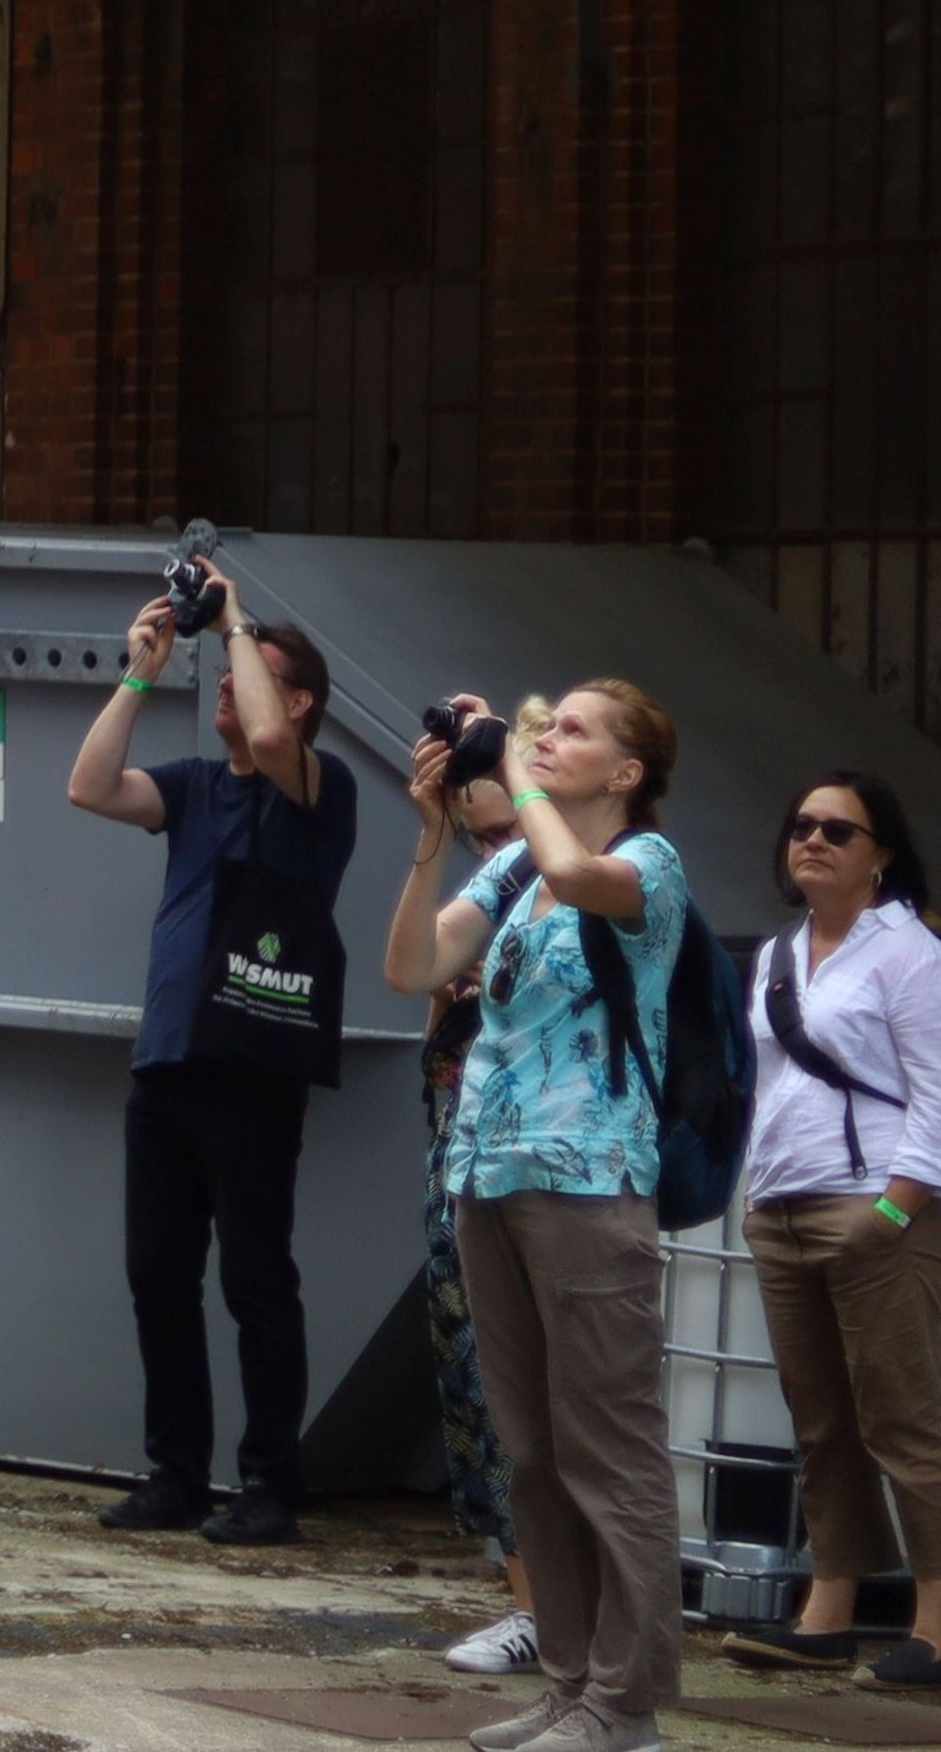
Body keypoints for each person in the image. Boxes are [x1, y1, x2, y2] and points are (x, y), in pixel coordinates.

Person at [381, 677, 693, 1752]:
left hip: (589, 1176)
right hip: (488, 1171)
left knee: (611, 1448)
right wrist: (431, 837)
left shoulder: (645, 866)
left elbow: (572, 864)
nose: (548, 740)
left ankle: (626, 1702)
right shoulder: (515, 867)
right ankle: (568, 1684)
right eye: (542, 726)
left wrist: (507, 757)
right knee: (534, 1452)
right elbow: (412, 966)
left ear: (628, 772)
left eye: (572, 732)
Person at [60, 565, 355, 1544]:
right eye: (226, 667)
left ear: (300, 696)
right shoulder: (190, 788)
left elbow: (272, 739)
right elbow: (89, 785)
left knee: (255, 1276)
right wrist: (142, 673)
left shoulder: (319, 786)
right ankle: (174, 1473)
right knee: (159, 1272)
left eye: (251, 670)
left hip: (254, 1066)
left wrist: (234, 619)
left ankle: (271, 1480)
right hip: (170, 1060)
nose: (227, 683)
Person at [730, 765, 941, 1691]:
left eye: (839, 830)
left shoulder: (915, 959)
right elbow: (769, 1084)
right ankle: (828, 1610)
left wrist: (889, 1213)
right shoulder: (780, 954)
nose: (815, 841)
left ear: (882, 858)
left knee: (904, 1420)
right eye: (802, 826)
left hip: (879, 1210)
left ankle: (937, 1629)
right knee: (822, 1423)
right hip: (785, 1210)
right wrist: (757, 1191)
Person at [413, 711, 546, 1681]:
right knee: (473, 1385)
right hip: (456, 1152)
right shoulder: (488, 886)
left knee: (533, 1396)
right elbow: (414, 973)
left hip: (534, 1168)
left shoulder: (579, 880)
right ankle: (528, 1598)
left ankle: (560, 1610)